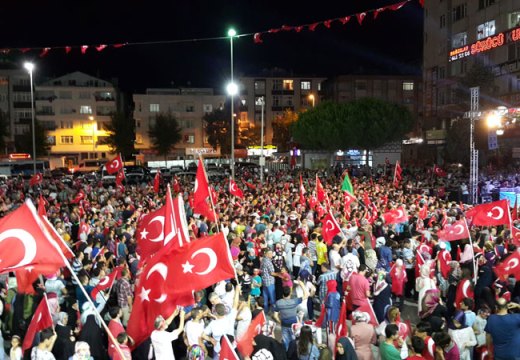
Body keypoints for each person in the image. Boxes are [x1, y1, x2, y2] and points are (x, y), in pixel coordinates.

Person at [273, 282, 308, 351]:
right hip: (294, 325)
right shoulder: (294, 301)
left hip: (284, 324)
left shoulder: (278, 303)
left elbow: (275, 316)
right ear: (290, 294)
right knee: (294, 341)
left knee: (286, 342)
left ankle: (287, 355)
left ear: (282, 294)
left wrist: (280, 322)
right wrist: (301, 284)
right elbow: (306, 295)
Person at [260, 249, 277, 313]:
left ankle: (266, 310)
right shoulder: (268, 262)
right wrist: (279, 274)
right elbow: (272, 273)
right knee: (272, 297)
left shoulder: (263, 260)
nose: (272, 255)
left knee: (265, 296)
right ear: (268, 254)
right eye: (271, 253)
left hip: (264, 281)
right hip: (270, 281)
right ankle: (274, 311)